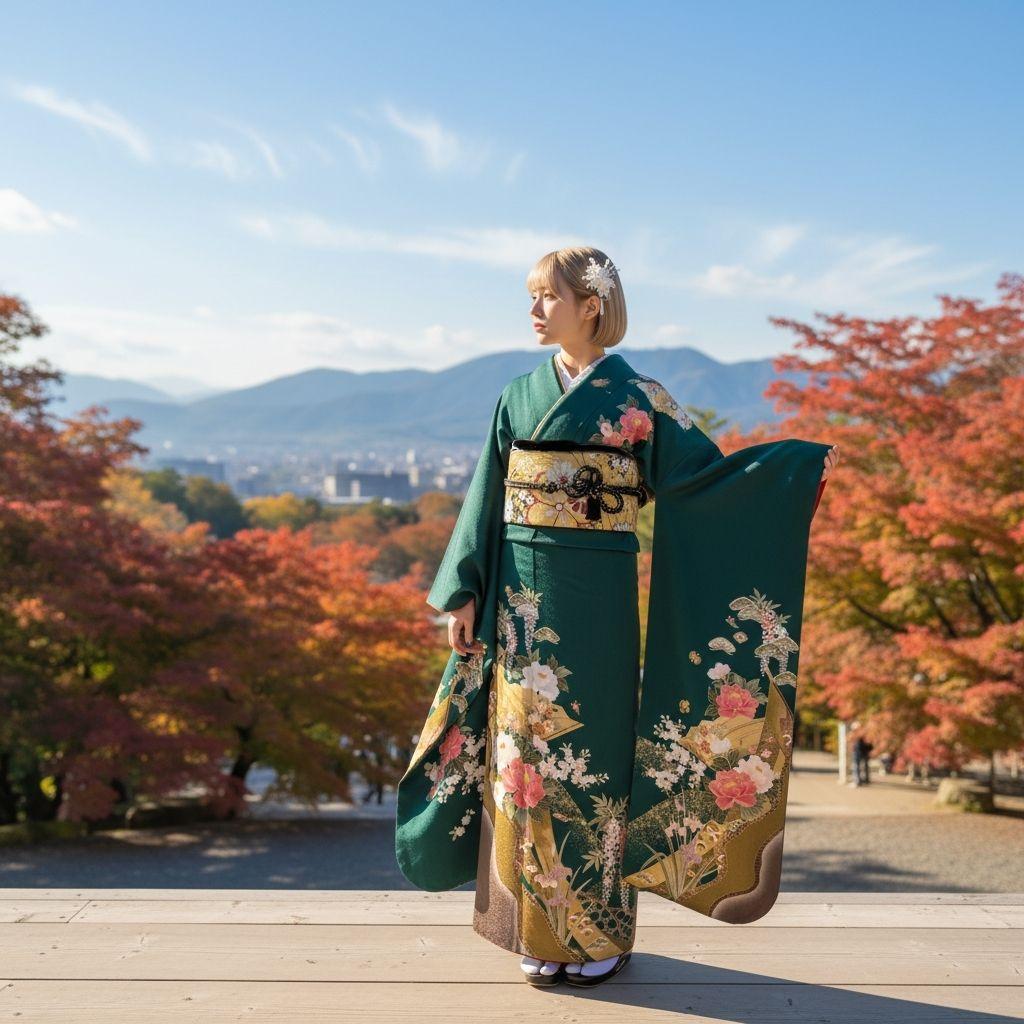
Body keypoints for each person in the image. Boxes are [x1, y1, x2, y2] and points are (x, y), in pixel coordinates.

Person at [395, 246, 838, 988]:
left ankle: (596, 933)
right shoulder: (516, 396)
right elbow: (485, 494)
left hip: (597, 603)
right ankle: (534, 926)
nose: (534, 311)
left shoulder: (642, 401)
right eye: (531, 297)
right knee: (524, 765)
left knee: (592, 759)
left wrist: (789, 473)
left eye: (546, 297)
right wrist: (464, 589)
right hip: (518, 606)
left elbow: (708, 483)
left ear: (591, 305)